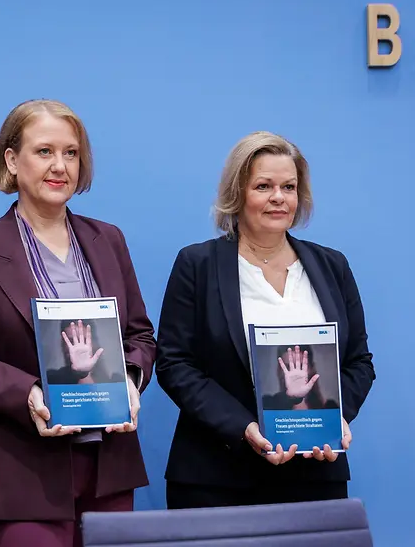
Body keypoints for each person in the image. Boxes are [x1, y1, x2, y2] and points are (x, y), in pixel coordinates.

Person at [0, 99, 156, 547]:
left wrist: (129, 377)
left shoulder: (108, 240)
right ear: (12, 160)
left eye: (71, 153)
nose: (60, 166)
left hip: (108, 465)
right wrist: (27, 392)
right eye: (44, 151)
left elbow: (140, 335)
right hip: (19, 469)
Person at [155, 130, 376, 509]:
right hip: (216, 478)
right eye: (263, 186)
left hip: (315, 474)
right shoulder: (197, 265)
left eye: (289, 187)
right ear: (237, 193)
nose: (279, 197)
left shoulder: (332, 266)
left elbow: (358, 363)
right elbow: (175, 364)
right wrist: (244, 429)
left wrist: (334, 418)